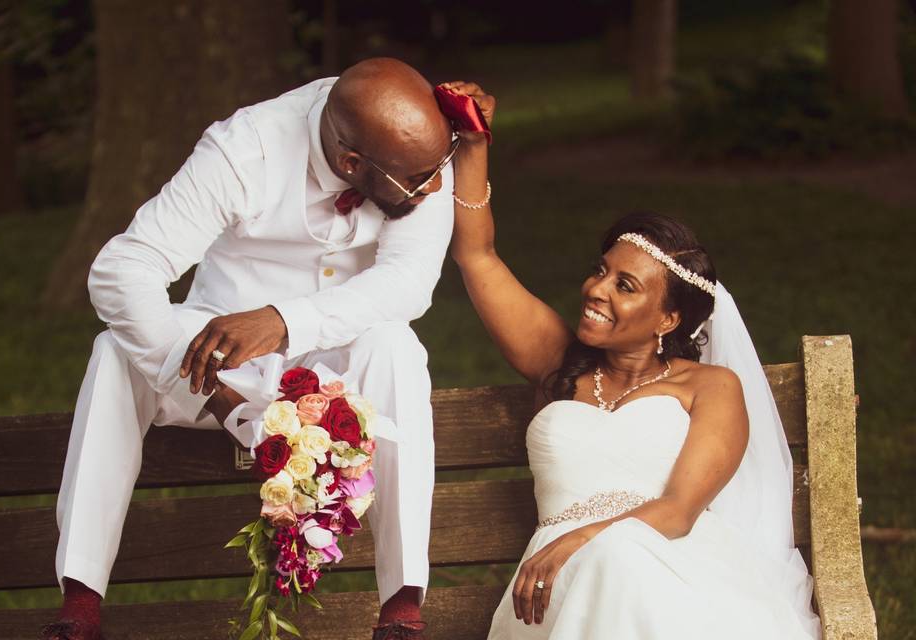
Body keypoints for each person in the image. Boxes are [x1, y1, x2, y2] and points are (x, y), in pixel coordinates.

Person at [43, 58, 456, 640]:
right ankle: (79, 603)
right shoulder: (244, 150)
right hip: (213, 359)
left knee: (397, 348)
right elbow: (119, 271)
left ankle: (403, 605)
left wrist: (284, 321)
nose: (435, 186)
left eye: (438, 169)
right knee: (113, 353)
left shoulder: (417, 142)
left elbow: (409, 284)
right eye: (419, 180)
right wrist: (207, 383)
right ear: (350, 163)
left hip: (335, 359)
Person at [442, 80, 821, 639]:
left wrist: (578, 541)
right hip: (554, 594)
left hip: (664, 572)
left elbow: (678, 511)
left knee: (618, 563)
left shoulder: (710, 387)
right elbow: (477, 254)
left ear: (669, 320)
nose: (597, 290)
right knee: (608, 569)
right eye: (600, 271)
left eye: (625, 286)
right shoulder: (559, 361)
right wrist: (474, 145)